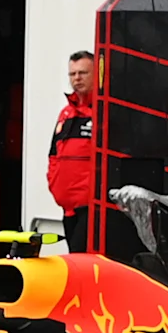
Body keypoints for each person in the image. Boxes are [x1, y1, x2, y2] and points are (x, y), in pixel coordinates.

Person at [48, 48, 105, 252]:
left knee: (83, 260)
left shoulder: (103, 110)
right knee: (74, 257)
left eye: (83, 73)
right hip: (68, 207)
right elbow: (54, 154)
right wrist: (55, 186)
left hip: (91, 207)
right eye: (72, 74)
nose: (77, 78)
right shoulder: (67, 113)